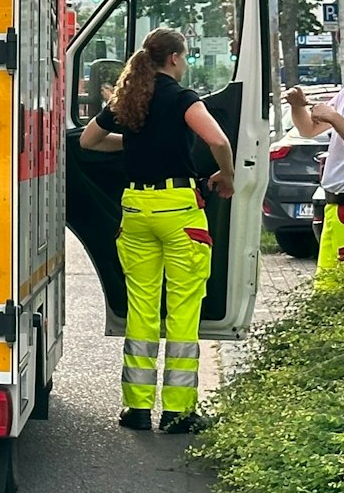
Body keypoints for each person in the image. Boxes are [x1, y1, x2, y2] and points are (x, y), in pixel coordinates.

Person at [79, 27, 236, 434]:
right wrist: (227, 175)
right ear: (174, 58)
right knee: (182, 310)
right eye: (184, 57)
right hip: (178, 209)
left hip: (135, 209)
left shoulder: (130, 96)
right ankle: (178, 412)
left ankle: (136, 408)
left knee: (143, 309)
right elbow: (218, 140)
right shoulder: (183, 98)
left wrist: (134, 143)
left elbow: (90, 141)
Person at [287, 22, 344, 291]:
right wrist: (298, 107)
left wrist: (335, 118)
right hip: (337, 208)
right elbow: (309, 129)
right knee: (327, 293)